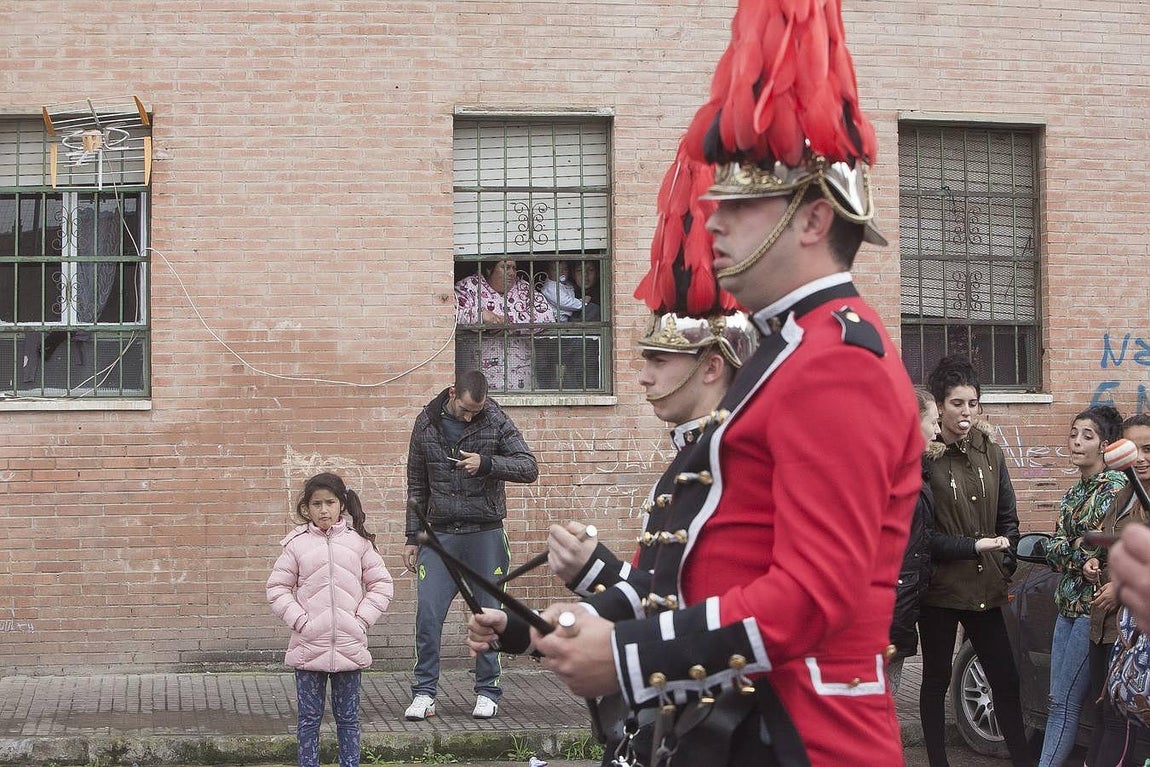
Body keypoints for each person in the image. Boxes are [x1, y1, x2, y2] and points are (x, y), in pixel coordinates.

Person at [471, 4, 922, 760]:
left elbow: (813, 594)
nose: (712, 217)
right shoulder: (794, 348)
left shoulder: (836, 360)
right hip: (740, 723)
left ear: (812, 220)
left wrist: (628, 655)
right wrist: (580, 631)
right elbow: (713, 572)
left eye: (742, 203)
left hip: (803, 737)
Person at [402, 369, 539, 721]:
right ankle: (424, 693)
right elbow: (417, 485)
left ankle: (487, 690)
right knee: (429, 614)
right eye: (465, 409)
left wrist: (487, 463)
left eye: (475, 411)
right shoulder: (426, 423)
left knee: (488, 614)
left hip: (485, 533)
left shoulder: (493, 417)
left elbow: (528, 467)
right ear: (452, 394)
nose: (470, 416)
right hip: (439, 535)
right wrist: (411, 537)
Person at [918, 354, 1032, 767]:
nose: (965, 412)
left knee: (1005, 678)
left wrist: (1005, 561)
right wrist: (970, 547)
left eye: (972, 403)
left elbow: (1008, 517)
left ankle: (1022, 759)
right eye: (956, 404)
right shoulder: (925, 456)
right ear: (940, 405)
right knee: (934, 680)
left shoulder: (990, 451)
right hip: (940, 590)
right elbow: (923, 537)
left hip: (987, 587)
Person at [266, 472, 394, 767]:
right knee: (308, 720)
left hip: (349, 646)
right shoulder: (296, 545)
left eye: (330, 502)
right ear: (306, 509)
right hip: (309, 647)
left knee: (348, 720)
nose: (323, 510)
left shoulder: (359, 543)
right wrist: (301, 621)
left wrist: (361, 620)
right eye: (316, 504)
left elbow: (382, 584)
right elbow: (277, 588)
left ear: (341, 506)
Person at [1038, 406, 1127, 767]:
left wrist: (1075, 548)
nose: (1076, 442)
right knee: (1056, 699)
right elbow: (1052, 547)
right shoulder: (1075, 492)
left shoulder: (1116, 488)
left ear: (1105, 445)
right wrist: (1075, 550)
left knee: (1065, 701)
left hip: (1096, 609)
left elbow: (1104, 547)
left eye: (1086, 436)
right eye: (1074, 434)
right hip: (1068, 605)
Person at [1085, 413, 1150, 767]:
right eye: (1132, 447)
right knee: (1105, 718)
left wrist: (1121, 587)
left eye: (1148, 448)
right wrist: (1093, 563)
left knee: (1122, 725)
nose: (1139, 457)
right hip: (1108, 628)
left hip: (1138, 634)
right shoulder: (1122, 495)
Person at [887, 387, 939, 693]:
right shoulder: (890, 471)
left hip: (902, 605)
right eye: (932, 422)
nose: (936, 431)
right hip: (887, 607)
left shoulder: (915, 470)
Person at [455, 259, 554, 390]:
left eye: (514, 268)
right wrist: (481, 316)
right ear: (489, 269)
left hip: (521, 381)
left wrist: (510, 324)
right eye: (505, 268)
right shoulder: (468, 287)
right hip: (477, 386)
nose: (512, 273)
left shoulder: (523, 289)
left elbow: (548, 316)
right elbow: (449, 315)